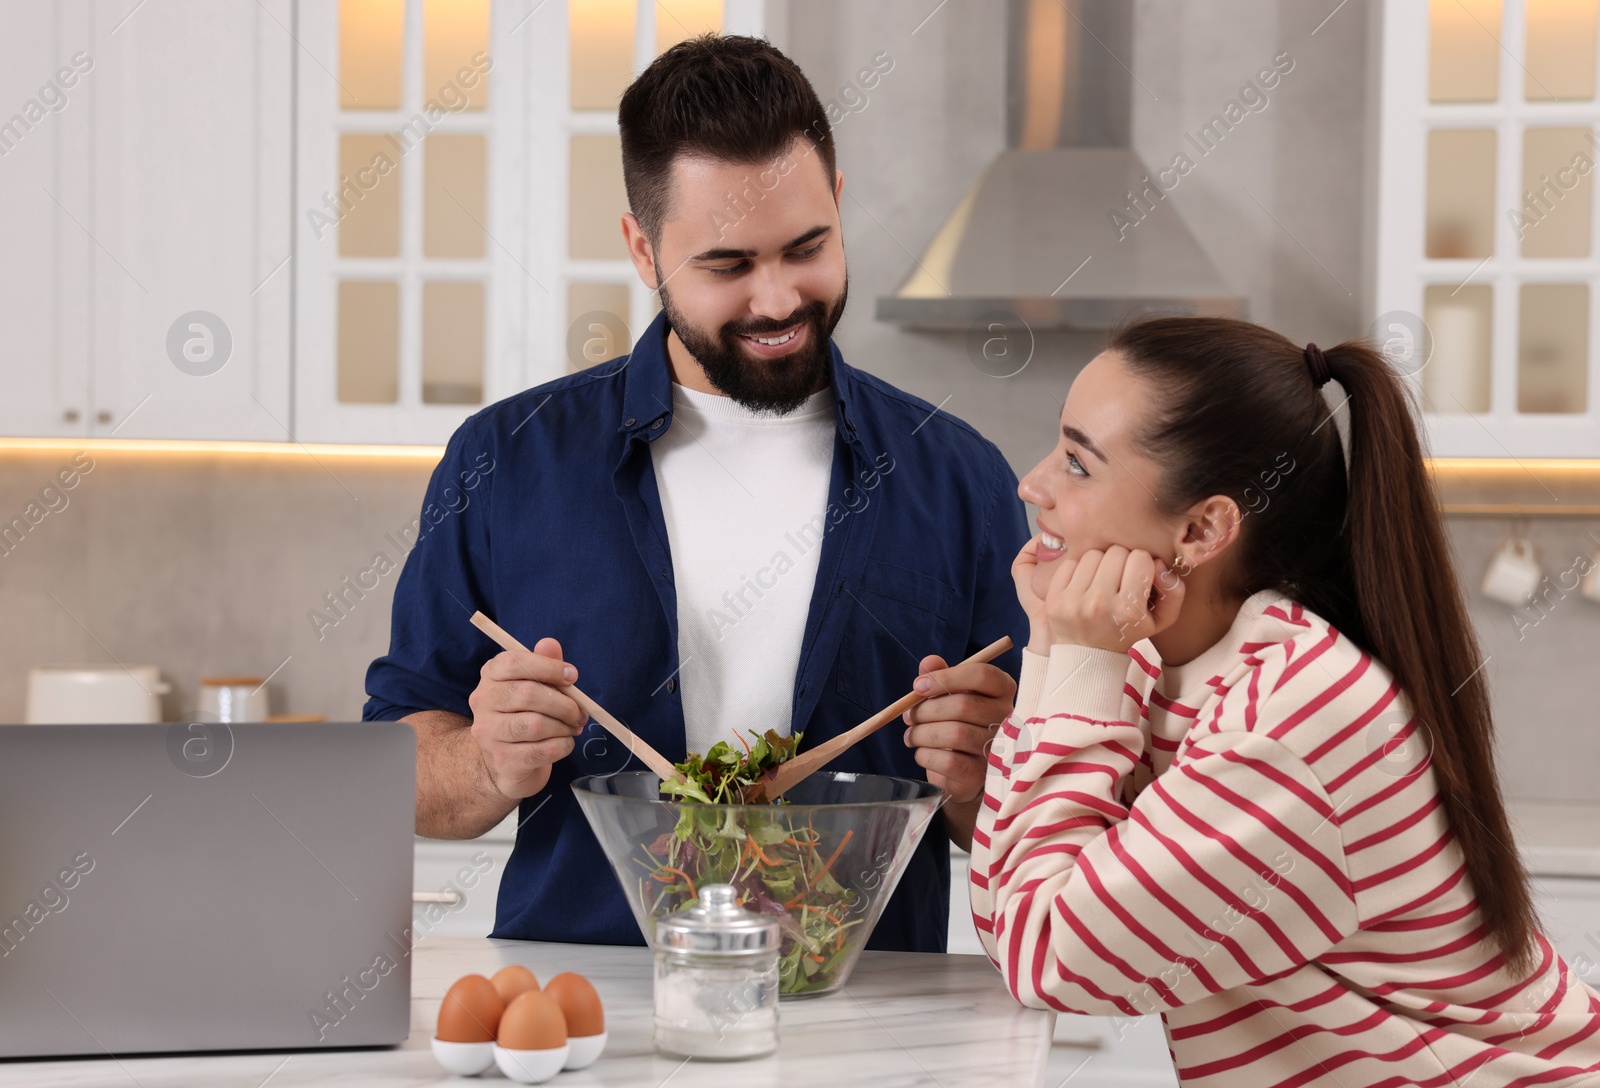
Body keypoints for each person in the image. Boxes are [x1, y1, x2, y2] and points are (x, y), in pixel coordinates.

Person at [364, 34, 1029, 953]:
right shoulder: (505, 459)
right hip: (589, 1013)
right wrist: (482, 761)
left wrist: (982, 775)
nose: (775, 299)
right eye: (726, 265)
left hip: (867, 1020)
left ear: (839, 205)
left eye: (807, 247)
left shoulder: (960, 477)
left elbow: (1031, 817)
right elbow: (394, 768)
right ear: (643, 248)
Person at [971, 316, 1600, 1086]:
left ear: (1203, 528)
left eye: (1077, 463)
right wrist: (1054, 642)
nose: (1032, 485)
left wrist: (1072, 662)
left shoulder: (1291, 723)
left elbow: (1050, 961)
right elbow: (1011, 920)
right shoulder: (1148, 663)